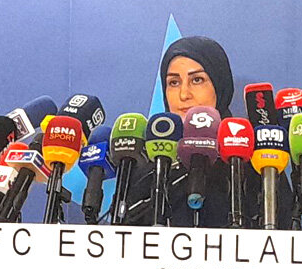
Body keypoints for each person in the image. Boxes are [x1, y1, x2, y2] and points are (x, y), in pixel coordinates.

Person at [122, 36, 292, 229]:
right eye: (174, 82)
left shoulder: (255, 159)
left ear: (220, 86)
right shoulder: (149, 164)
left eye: (197, 80)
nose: (184, 94)